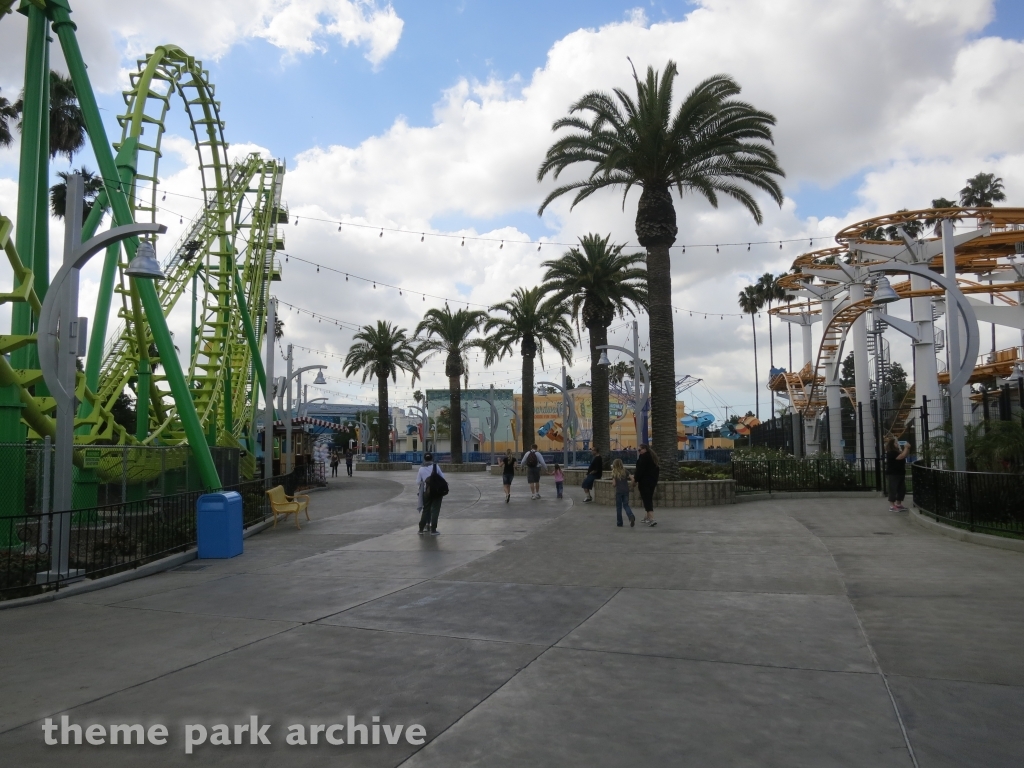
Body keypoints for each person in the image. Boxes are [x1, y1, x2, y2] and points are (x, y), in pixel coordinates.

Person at [417, 453, 447, 535]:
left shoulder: (421, 469)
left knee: (426, 510)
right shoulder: (435, 466)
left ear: (424, 459)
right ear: (432, 458)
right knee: (435, 510)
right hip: (437, 492)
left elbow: (418, 481)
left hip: (426, 492)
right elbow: (442, 477)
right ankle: (433, 530)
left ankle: (421, 529)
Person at [634, 443, 660, 526]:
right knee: (648, 498)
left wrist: (635, 479)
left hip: (644, 481)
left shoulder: (643, 457)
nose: (639, 452)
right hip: (652, 481)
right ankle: (647, 517)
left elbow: (639, 470)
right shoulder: (653, 457)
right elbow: (657, 470)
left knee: (646, 499)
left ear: (645, 449)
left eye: (639, 450)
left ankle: (652, 518)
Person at [885, 436, 910, 511]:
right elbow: (901, 456)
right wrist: (906, 447)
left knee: (901, 489)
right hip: (893, 473)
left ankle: (898, 504)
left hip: (900, 473)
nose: (897, 444)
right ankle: (892, 506)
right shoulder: (891, 453)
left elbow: (904, 455)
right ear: (892, 445)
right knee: (893, 488)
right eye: (895, 443)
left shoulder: (897, 452)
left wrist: (907, 449)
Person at [610, 459, 636, 527]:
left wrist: (613, 484)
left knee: (619, 507)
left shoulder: (614, 473)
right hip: (626, 490)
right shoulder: (625, 471)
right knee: (626, 505)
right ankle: (631, 516)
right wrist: (632, 485)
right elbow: (633, 479)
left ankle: (619, 523)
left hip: (619, 491)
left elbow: (614, 484)